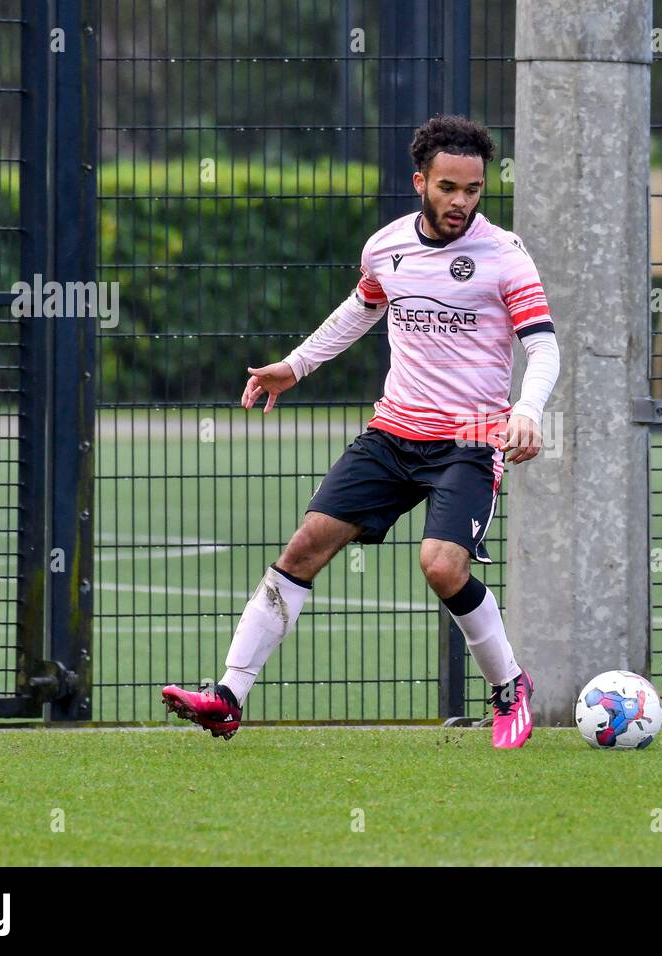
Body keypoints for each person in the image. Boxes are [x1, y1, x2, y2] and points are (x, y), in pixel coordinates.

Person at [162, 115, 560, 748]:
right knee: (304, 547)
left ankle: (511, 688)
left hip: (471, 439)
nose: (461, 202)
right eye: (449, 187)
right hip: (392, 433)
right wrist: (295, 366)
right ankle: (229, 696)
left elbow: (543, 346)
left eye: (474, 189)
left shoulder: (505, 255)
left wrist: (529, 410)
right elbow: (361, 310)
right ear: (420, 182)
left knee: (440, 565)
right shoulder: (387, 247)